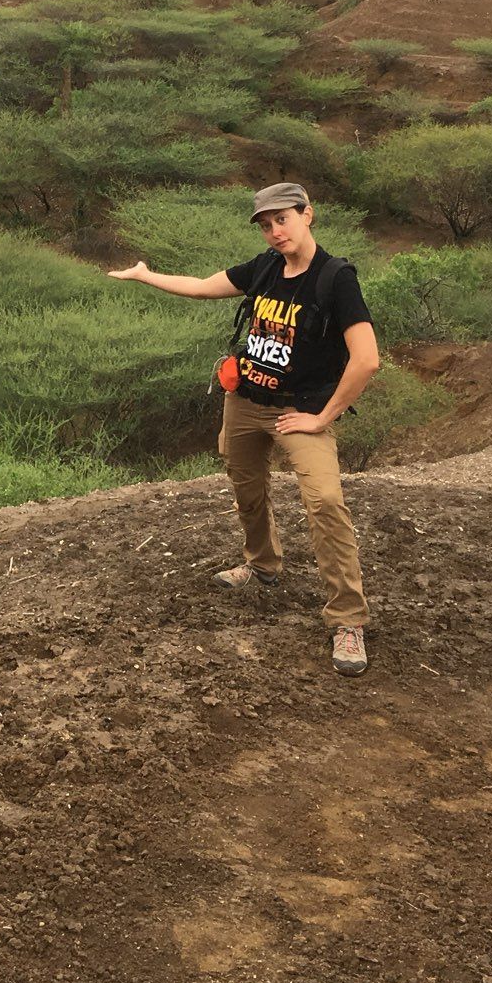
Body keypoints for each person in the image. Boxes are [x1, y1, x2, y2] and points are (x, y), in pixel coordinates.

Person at [107, 182, 379, 677]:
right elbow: (201, 286)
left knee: (324, 501)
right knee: (245, 484)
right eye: (266, 223)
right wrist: (146, 276)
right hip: (245, 401)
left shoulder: (336, 279)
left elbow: (366, 361)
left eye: (283, 220)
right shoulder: (264, 268)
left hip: (300, 411)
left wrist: (322, 418)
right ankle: (262, 564)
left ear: (307, 215)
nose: (275, 231)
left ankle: (347, 620)